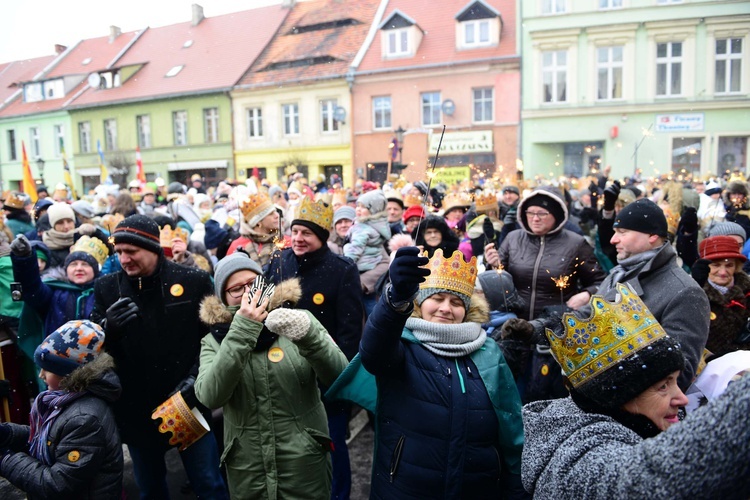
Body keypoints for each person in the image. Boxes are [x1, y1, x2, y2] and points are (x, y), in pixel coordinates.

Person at [522, 284, 750, 498]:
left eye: (675, 381)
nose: (682, 398)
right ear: (617, 399)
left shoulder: (637, 421)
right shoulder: (579, 458)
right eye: (662, 387)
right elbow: (645, 480)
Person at [355, 247, 525, 498]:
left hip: (477, 488)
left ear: (466, 311)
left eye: (456, 302)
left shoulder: (489, 351)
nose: (446, 308)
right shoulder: (402, 344)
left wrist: (515, 487)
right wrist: (394, 301)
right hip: (406, 488)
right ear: (420, 303)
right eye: (437, 298)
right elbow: (373, 352)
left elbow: (511, 426)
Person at [502, 198, 710, 392]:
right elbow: (585, 319)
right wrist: (536, 329)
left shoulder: (685, 291)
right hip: (597, 396)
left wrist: (613, 384)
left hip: (637, 412)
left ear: (652, 236)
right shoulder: (618, 275)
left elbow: (678, 372)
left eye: (622, 232)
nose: (613, 239)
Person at [90, 214, 228, 500]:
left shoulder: (194, 280)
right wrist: (106, 330)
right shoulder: (106, 288)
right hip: (136, 410)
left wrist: (195, 379)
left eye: (131, 252)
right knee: (150, 489)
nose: (124, 259)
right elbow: (90, 351)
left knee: (209, 484)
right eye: (119, 252)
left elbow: (216, 336)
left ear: (152, 248)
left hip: (184, 403)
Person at [194, 252, 348, 498]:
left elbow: (340, 377)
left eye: (253, 284)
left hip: (303, 464)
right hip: (248, 469)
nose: (248, 294)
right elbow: (210, 396)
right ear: (223, 298)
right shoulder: (213, 341)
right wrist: (244, 328)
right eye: (236, 289)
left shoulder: (298, 319)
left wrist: (310, 338)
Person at [266, 197, 364, 500]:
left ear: (321, 236)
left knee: (331, 447)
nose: (298, 238)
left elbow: (349, 334)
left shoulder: (342, 270)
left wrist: (338, 380)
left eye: (306, 233)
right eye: (295, 231)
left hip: (325, 381)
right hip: (282, 374)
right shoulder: (278, 261)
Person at [0, 320, 122, 499]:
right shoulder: (70, 399)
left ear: (69, 374)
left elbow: (56, 484)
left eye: (47, 370)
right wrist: (9, 433)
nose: (41, 375)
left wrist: (5, 459)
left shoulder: (84, 419)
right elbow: (52, 441)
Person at [690, 236, 750, 358]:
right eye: (716, 265)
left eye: (729, 265)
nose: (722, 272)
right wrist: (695, 288)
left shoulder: (747, 291)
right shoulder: (693, 291)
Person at [227, 191, 282, 268]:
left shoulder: (284, 241)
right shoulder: (237, 246)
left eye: (275, 212)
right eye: (270, 214)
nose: (277, 215)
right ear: (258, 222)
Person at [344, 189, 391, 273]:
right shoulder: (379, 225)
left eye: (363, 207)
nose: (358, 209)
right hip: (373, 263)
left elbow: (355, 249)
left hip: (360, 265)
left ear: (373, 210)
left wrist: (345, 263)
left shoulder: (362, 228)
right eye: (358, 205)